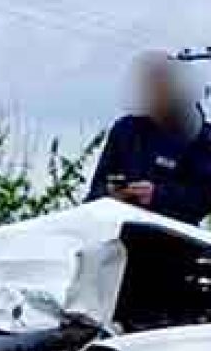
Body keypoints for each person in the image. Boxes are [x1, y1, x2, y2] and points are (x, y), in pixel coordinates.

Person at [87, 51, 211, 225]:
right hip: (119, 232)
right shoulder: (125, 130)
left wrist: (157, 195)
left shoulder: (200, 137)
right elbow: (95, 191)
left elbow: (203, 198)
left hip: (175, 240)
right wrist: (112, 194)